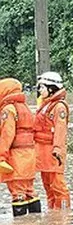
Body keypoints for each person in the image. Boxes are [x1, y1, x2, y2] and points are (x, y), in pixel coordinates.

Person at [0, 79, 41, 216]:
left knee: (17, 193)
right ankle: (36, 224)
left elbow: (7, 135)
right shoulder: (25, 108)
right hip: (29, 156)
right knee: (29, 190)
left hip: (16, 157)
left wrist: (1, 157)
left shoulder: (8, 109)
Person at [34, 72, 71, 210]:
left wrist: (57, 150)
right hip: (42, 151)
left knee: (58, 185)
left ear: (51, 88)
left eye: (42, 87)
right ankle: (53, 213)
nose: (40, 90)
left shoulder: (59, 107)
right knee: (48, 185)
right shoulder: (45, 105)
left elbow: (60, 131)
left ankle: (63, 214)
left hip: (53, 151)